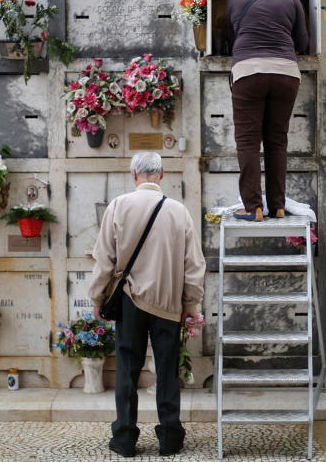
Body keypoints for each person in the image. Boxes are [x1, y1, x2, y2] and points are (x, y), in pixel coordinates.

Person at [89, 152, 206, 457]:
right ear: (162, 175)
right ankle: (170, 437)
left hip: (129, 301)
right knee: (167, 370)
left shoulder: (118, 206)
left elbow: (104, 258)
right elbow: (194, 265)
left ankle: (125, 438)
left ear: (134, 175)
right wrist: (191, 307)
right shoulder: (179, 212)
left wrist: (97, 298)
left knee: (127, 370)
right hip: (167, 305)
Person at [227, 0, 310, 221]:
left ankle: (253, 207)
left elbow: (233, 35)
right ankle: (278, 206)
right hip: (286, 73)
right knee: (277, 141)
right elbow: (303, 40)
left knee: (248, 141)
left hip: (248, 72)